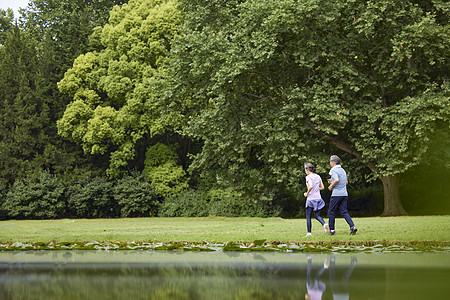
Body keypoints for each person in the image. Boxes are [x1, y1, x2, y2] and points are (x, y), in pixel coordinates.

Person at [327, 155, 357, 235]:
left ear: (333, 162)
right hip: (344, 194)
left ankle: (332, 231)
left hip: (336, 194)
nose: (330, 163)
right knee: (344, 212)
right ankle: (353, 227)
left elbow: (336, 179)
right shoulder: (342, 170)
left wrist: (331, 186)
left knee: (331, 212)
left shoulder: (333, 170)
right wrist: (332, 181)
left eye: (330, 162)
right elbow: (346, 182)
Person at [303, 163, 329, 237]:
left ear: (307, 170)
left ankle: (309, 233)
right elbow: (322, 187)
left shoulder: (308, 177)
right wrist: (315, 189)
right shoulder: (318, 176)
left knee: (308, 216)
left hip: (311, 199)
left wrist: (307, 193)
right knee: (317, 215)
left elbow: (310, 186)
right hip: (318, 198)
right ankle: (324, 224)